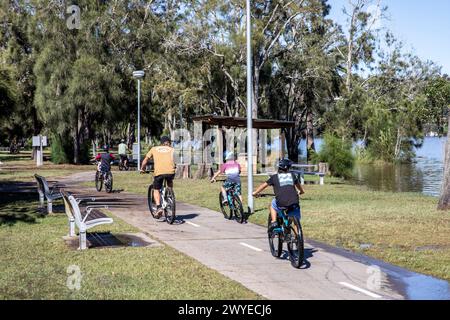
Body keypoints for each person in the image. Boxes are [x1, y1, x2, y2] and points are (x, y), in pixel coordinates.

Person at [253, 159, 305, 232]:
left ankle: (274, 222)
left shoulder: (274, 177)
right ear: (288, 168)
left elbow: (263, 186)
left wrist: (255, 192)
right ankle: (298, 239)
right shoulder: (292, 176)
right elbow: (299, 186)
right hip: (294, 202)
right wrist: (301, 191)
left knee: (272, 205)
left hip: (281, 202)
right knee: (295, 221)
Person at [140, 136, 176, 218]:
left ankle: (159, 207)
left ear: (161, 143)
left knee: (156, 189)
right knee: (169, 180)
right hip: (170, 172)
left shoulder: (154, 148)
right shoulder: (172, 149)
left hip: (159, 172)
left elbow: (146, 160)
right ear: (168, 142)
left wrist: (142, 169)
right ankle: (170, 195)